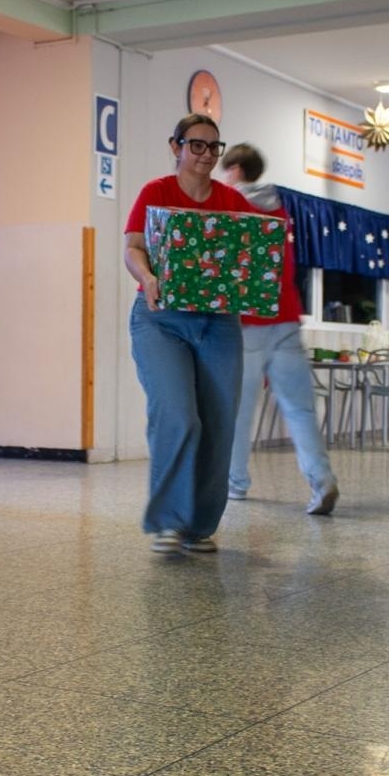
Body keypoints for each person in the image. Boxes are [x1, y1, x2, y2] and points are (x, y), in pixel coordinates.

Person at [123, 113, 261, 553]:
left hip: (219, 323)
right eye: (195, 145)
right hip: (161, 319)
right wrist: (147, 277)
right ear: (176, 147)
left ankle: (197, 527)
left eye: (213, 147)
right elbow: (132, 248)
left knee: (219, 424)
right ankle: (168, 522)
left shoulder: (233, 201)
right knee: (179, 416)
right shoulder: (156, 192)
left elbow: (250, 259)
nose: (205, 154)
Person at [220, 144, 339, 516]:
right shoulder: (279, 207)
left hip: (248, 323)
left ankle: (235, 483)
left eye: (226, 170)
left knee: (239, 412)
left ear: (235, 170)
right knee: (300, 410)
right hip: (286, 318)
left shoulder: (231, 204)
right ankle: (322, 480)